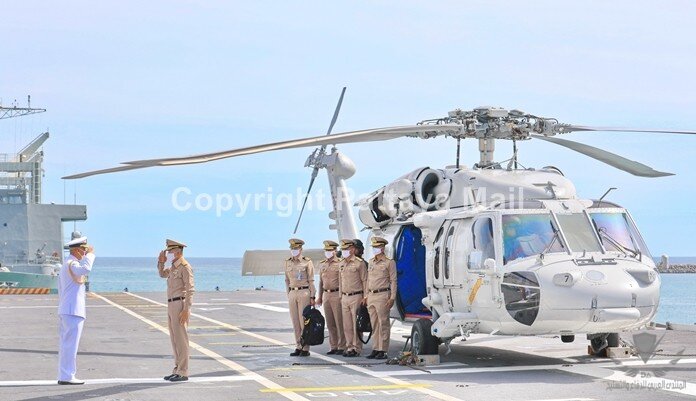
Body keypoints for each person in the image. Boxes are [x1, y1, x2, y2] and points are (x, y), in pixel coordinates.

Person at [57, 236, 96, 385]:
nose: (85, 253)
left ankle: (65, 374)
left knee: (67, 344)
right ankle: (67, 376)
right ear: (78, 250)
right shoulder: (72, 264)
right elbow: (86, 269)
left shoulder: (67, 264)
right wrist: (92, 254)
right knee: (70, 345)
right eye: (84, 250)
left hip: (68, 309)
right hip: (72, 311)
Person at [157, 239, 195, 382]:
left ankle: (183, 372)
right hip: (171, 305)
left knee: (181, 340)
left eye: (171, 251)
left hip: (180, 304)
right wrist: (161, 262)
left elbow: (190, 290)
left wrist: (186, 310)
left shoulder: (185, 267)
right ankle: (177, 369)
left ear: (178, 250)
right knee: (174, 339)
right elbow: (162, 274)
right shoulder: (174, 266)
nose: (170, 253)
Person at [365, 237, 397, 360]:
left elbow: (393, 281)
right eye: (374, 247)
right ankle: (375, 348)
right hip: (372, 295)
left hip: (383, 295)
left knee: (383, 323)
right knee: (374, 324)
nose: (375, 249)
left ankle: (383, 349)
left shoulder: (389, 262)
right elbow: (369, 280)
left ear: (383, 248)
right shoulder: (371, 261)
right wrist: (367, 295)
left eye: (377, 247)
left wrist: (392, 297)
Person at [284, 238, 315, 356]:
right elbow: (286, 280)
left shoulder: (307, 262)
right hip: (293, 292)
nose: (293, 250)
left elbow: (311, 280)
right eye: (292, 248)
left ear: (301, 249)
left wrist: (312, 296)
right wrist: (289, 294)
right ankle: (298, 346)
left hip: (304, 292)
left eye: (296, 248)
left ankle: (305, 348)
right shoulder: (287, 262)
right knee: (295, 322)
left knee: (304, 322)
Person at [338, 239, 367, 357]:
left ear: (352, 249)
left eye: (347, 249)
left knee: (356, 324)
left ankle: (356, 348)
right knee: (347, 324)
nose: (344, 251)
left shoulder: (359, 263)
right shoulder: (341, 263)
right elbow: (341, 282)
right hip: (345, 296)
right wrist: (340, 296)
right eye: (343, 249)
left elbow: (365, 280)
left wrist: (365, 296)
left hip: (356, 296)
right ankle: (349, 347)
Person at [315, 240, 345, 355]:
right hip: (326, 294)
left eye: (329, 250)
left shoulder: (340, 263)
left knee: (339, 322)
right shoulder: (323, 264)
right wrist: (319, 297)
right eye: (326, 250)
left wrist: (342, 295)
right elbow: (321, 282)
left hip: (337, 294)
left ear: (335, 251)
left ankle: (342, 346)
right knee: (330, 322)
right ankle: (333, 346)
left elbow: (343, 281)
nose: (327, 252)